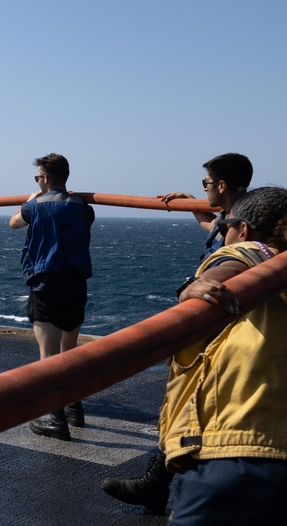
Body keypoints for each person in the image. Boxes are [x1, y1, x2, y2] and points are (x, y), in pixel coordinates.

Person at [102, 152, 254, 512]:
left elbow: (227, 244)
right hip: (231, 326)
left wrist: (196, 287)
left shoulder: (242, 224)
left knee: (189, 399)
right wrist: (189, 201)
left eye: (205, 184)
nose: (204, 190)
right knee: (191, 402)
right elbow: (215, 227)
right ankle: (160, 481)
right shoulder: (240, 214)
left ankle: (170, 486)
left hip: (223, 328)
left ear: (220, 185)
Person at [157, 186, 287, 524]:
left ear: (242, 230)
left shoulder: (251, 251)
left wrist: (195, 286)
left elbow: (231, 264)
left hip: (241, 448)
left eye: (223, 227)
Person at [9, 153, 93, 441]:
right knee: (69, 349)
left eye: (37, 177)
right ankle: (74, 407)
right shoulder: (83, 207)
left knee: (48, 356)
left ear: (44, 178)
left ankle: (54, 418)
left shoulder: (36, 206)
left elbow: (14, 223)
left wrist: (32, 199)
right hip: (76, 282)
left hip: (46, 282)